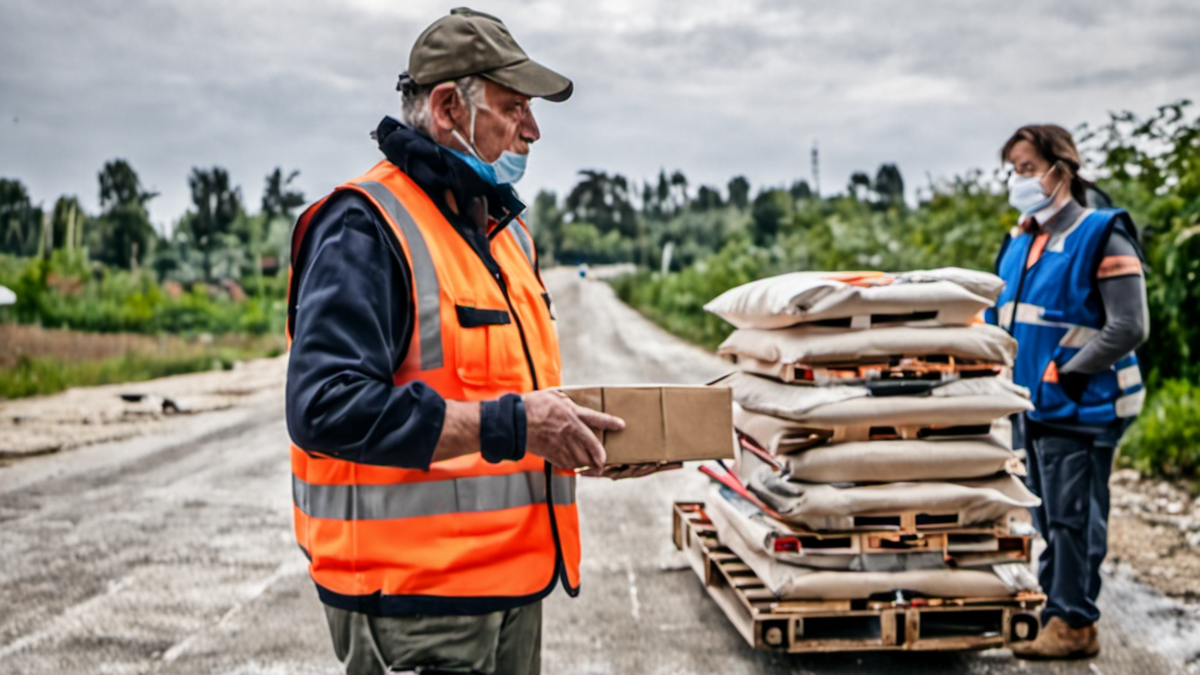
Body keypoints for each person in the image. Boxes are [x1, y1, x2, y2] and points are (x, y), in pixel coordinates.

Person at [285, 9, 666, 674]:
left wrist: (584, 445)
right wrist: (518, 423)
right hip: (414, 606)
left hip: (513, 590)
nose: (532, 130)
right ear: (445, 107)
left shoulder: (506, 236)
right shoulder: (365, 227)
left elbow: (502, 409)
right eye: (513, 106)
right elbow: (325, 407)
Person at [988, 124, 1149, 660]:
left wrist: (1071, 372)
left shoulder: (1101, 234)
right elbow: (1001, 319)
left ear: (1063, 170)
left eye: (1028, 168)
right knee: (1047, 515)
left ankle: (1074, 622)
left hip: (1081, 404)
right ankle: (1057, 609)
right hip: (1031, 406)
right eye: (1014, 169)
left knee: (1072, 516)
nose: (1019, 179)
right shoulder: (1020, 242)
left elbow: (1129, 325)